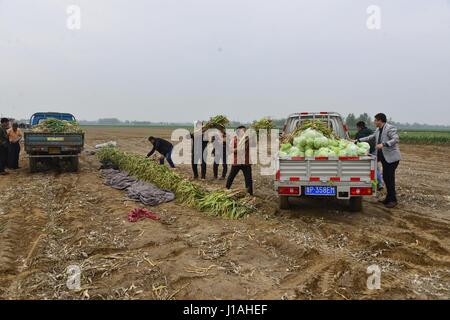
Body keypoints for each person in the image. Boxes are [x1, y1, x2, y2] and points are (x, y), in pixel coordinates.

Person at [357, 113, 402, 208]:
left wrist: (384, 144)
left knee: (390, 178)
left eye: (375, 120)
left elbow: (396, 139)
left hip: (392, 158)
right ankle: (388, 198)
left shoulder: (390, 128)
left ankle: (393, 200)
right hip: (384, 158)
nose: (374, 122)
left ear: (380, 120)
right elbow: (371, 137)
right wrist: (358, 141)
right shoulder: (378, 129)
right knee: (386, 177)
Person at [355, 121, 383, 191]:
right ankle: (379, 184)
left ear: (359, 127)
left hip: (364, 154)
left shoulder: (359, 134)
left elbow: (357, 144)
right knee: (376, 169)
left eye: (357, 127)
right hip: (373, 151)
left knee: (366, 170)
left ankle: (370, 184)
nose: (357, 129)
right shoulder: (371, 131)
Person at [225, 126, 253, 195]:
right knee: (231, 176)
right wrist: (236, 149)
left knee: (248, 178)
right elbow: (230, 150)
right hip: (236, 162)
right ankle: (226, 189)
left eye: (245, 131)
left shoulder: (248, 139)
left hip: (246, 162)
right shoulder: (233, 140)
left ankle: (249, 192)